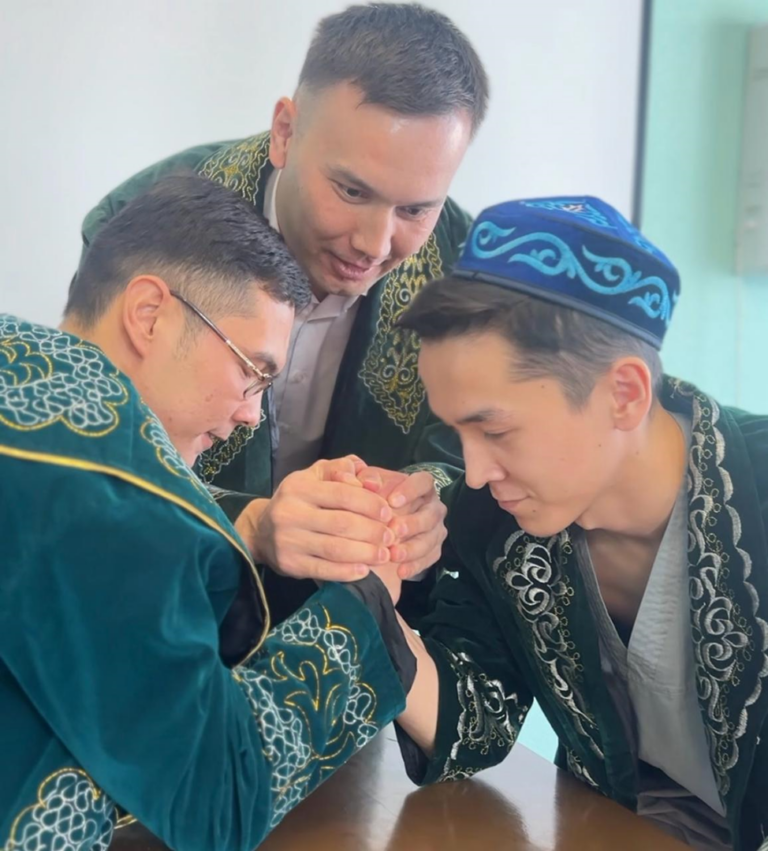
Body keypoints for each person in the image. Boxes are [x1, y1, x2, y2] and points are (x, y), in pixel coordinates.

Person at [0, 175, 414, 851]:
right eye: (252, 371)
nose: (251, 414)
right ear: (149, 314)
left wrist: (253, 531)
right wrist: (366, 608)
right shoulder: (115, 500)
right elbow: (218, 795)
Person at [76, 2, 490, 623]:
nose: (374, 245)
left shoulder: (464, 266)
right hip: (175, 604)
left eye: (415, 210)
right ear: (285, 132)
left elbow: (464, 451)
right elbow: (100, 452)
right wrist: (249, 522)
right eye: (351, 190)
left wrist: (426, 502)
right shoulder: (139, 232)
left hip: (366, 617)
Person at [383, 197, 768, 851]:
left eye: (494, 430)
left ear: (624, 394)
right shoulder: (494, 523)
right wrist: (370, 601)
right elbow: (473, 719)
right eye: (457, 433)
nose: (473, 473)